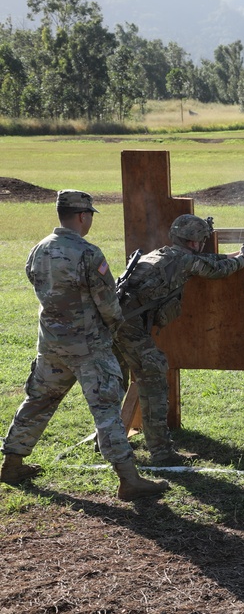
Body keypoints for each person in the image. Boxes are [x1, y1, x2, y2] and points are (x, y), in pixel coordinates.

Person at [1, 190, 168, 501]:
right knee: (106, 409)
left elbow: (36, 284)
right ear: (82, 216)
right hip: (89, 347)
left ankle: (11, 464)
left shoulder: (38, 249)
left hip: (51, 344)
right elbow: (108, 305)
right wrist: (115, 324)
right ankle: (129, 479)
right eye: (90, 215)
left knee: (38, 401)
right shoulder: (89, 254)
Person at [114, 214, 244, 466]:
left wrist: (236, 252)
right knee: (154, 382)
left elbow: (201, 260)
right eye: (202, 240)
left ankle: (107, 442)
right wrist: (243, 260)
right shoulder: (186, 260)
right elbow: (215, 269)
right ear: (195, 241)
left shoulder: (161, 254)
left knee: (112, 387)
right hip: (131, 329)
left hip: (113, 325)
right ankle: (161, 452)